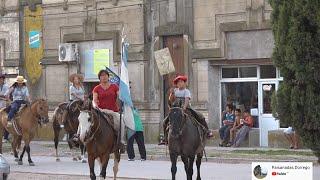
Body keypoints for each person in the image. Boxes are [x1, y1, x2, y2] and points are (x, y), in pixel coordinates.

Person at [159, 75, 212, 145]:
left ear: (184, 83)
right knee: (165, 122)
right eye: (178, 82)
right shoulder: (175, 91)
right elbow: (171, 100)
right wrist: (171, 94)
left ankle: (207, 131)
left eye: (181, 82)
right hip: (176, 109)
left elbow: (187, 100)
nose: (179, 83)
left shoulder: (186, 91)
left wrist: (184, 108)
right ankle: (166, 138)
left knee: (200, 116)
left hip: (186, 109)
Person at [92, 69, 125, 151]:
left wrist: (122, 99)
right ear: (99, 78)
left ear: (108, 77)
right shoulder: (96, 88)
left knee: (121, 124)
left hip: (113, 111)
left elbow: (120, 96)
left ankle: (121, 142)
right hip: (101, 111)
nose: (103, 77)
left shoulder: (114, 86)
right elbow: (94, 100)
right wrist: (96, 106)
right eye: (101, 76)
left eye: (105, 75)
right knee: (88, 122)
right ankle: (83, 139)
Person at [0, 74, 9, 142]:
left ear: (3, 79)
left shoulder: (6, 86)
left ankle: (5, 137)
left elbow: (6, 96)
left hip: (4, 106)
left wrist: (2, 96)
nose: (0, 80)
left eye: (1, 79)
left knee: (5, 121)